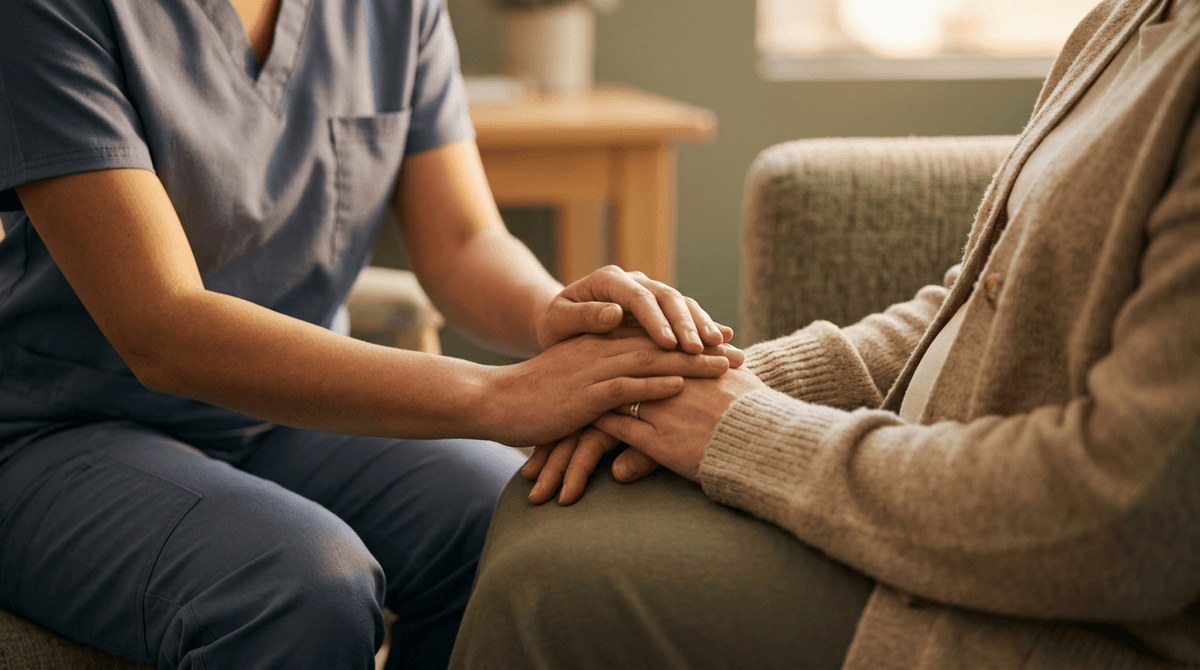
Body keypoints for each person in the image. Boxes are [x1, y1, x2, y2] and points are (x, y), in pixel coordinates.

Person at [451, 0, 1200, 667]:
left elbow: (1122, 519)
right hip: (941, 513)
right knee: (547, 502)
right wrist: (708, 380)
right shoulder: (1129, 19)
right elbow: (979, 305)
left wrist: (748, 430)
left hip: (1076, 619)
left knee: (548, 590)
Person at [0, 0, 744, 667]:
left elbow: (461, 241)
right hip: (59, 431)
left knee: (518, 524)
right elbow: (160, 326)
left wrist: (558, 314)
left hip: (293, 416)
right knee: (299, 582)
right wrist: (495, 393)